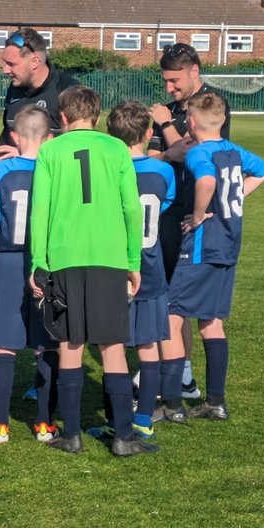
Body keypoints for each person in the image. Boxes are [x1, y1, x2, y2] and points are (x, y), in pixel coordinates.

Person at [28, 85, 154, 458]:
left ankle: (71, 435)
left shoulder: (50, 150)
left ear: (62, 118)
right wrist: (133, 261)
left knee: (70, 345)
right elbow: (132, 209)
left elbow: (41, 210)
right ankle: (124, 437)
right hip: (110, 258)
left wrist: (39, 262)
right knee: (112, 347)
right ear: (97, 118)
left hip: (64, 258)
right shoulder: (116, 148)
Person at [157, 90, 264, 421]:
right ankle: (216, 401)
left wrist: (198, 213)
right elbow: (263, 171)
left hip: (202, 246)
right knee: (211, 322)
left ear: (190, 122)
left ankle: (174, 404)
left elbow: (206, 180)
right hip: (229, 244)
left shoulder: (198, 153)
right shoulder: (233, 151)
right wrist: (232, 198)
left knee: (170, 317)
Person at [148, 42, 231, 399]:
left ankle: (183, 378)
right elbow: (154, 158)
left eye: (174, 79)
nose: (169, 88)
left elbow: (199, 153)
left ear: (194, 71)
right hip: (168, 213)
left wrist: (167, 127)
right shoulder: (166, 110)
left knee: (188, 304)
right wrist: (171, 147)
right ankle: (182, 376)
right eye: (166, 81)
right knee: (168, 294)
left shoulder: (213, 106)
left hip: (200, 219)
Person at [0, 105, 59, 444]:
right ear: (50, 138)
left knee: (4, 345)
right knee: (46, 344)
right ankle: (44, 423)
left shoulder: (0, 171)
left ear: (14, 136)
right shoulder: (56, 170)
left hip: (9, 260)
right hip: (47, 263)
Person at [104, 101, 175, 440]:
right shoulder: (163, 172)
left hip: (115, 267)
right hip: (151, 267)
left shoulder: (110, 169)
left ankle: (113, 415)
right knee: (149, 347)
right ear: (149, 133)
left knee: (111, 346)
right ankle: (144, 416)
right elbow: (167, 204)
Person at [0, 29, 78, 161]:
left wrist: (27, 153)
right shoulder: (15, 88)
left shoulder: (69, 90)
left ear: (34, 62)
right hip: (16, 178)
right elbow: (7, 133)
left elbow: (78, 146)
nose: (5, 70)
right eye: (5, 62)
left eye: (11, 64)